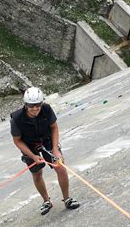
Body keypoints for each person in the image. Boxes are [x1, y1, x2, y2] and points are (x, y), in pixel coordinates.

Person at [11, 87, 80, 215]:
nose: (35, 108)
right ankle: (46, 201)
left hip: (47, 140)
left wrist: (55, 149)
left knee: (60, 167)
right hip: (29, 145)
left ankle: (67, 199)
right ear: (26, 105)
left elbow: (54, 127)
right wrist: (32, 156)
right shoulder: (16, 119)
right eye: (31, 105)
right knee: (37, 173)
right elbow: (17, 141)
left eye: (38, 104)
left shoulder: (46, 109)